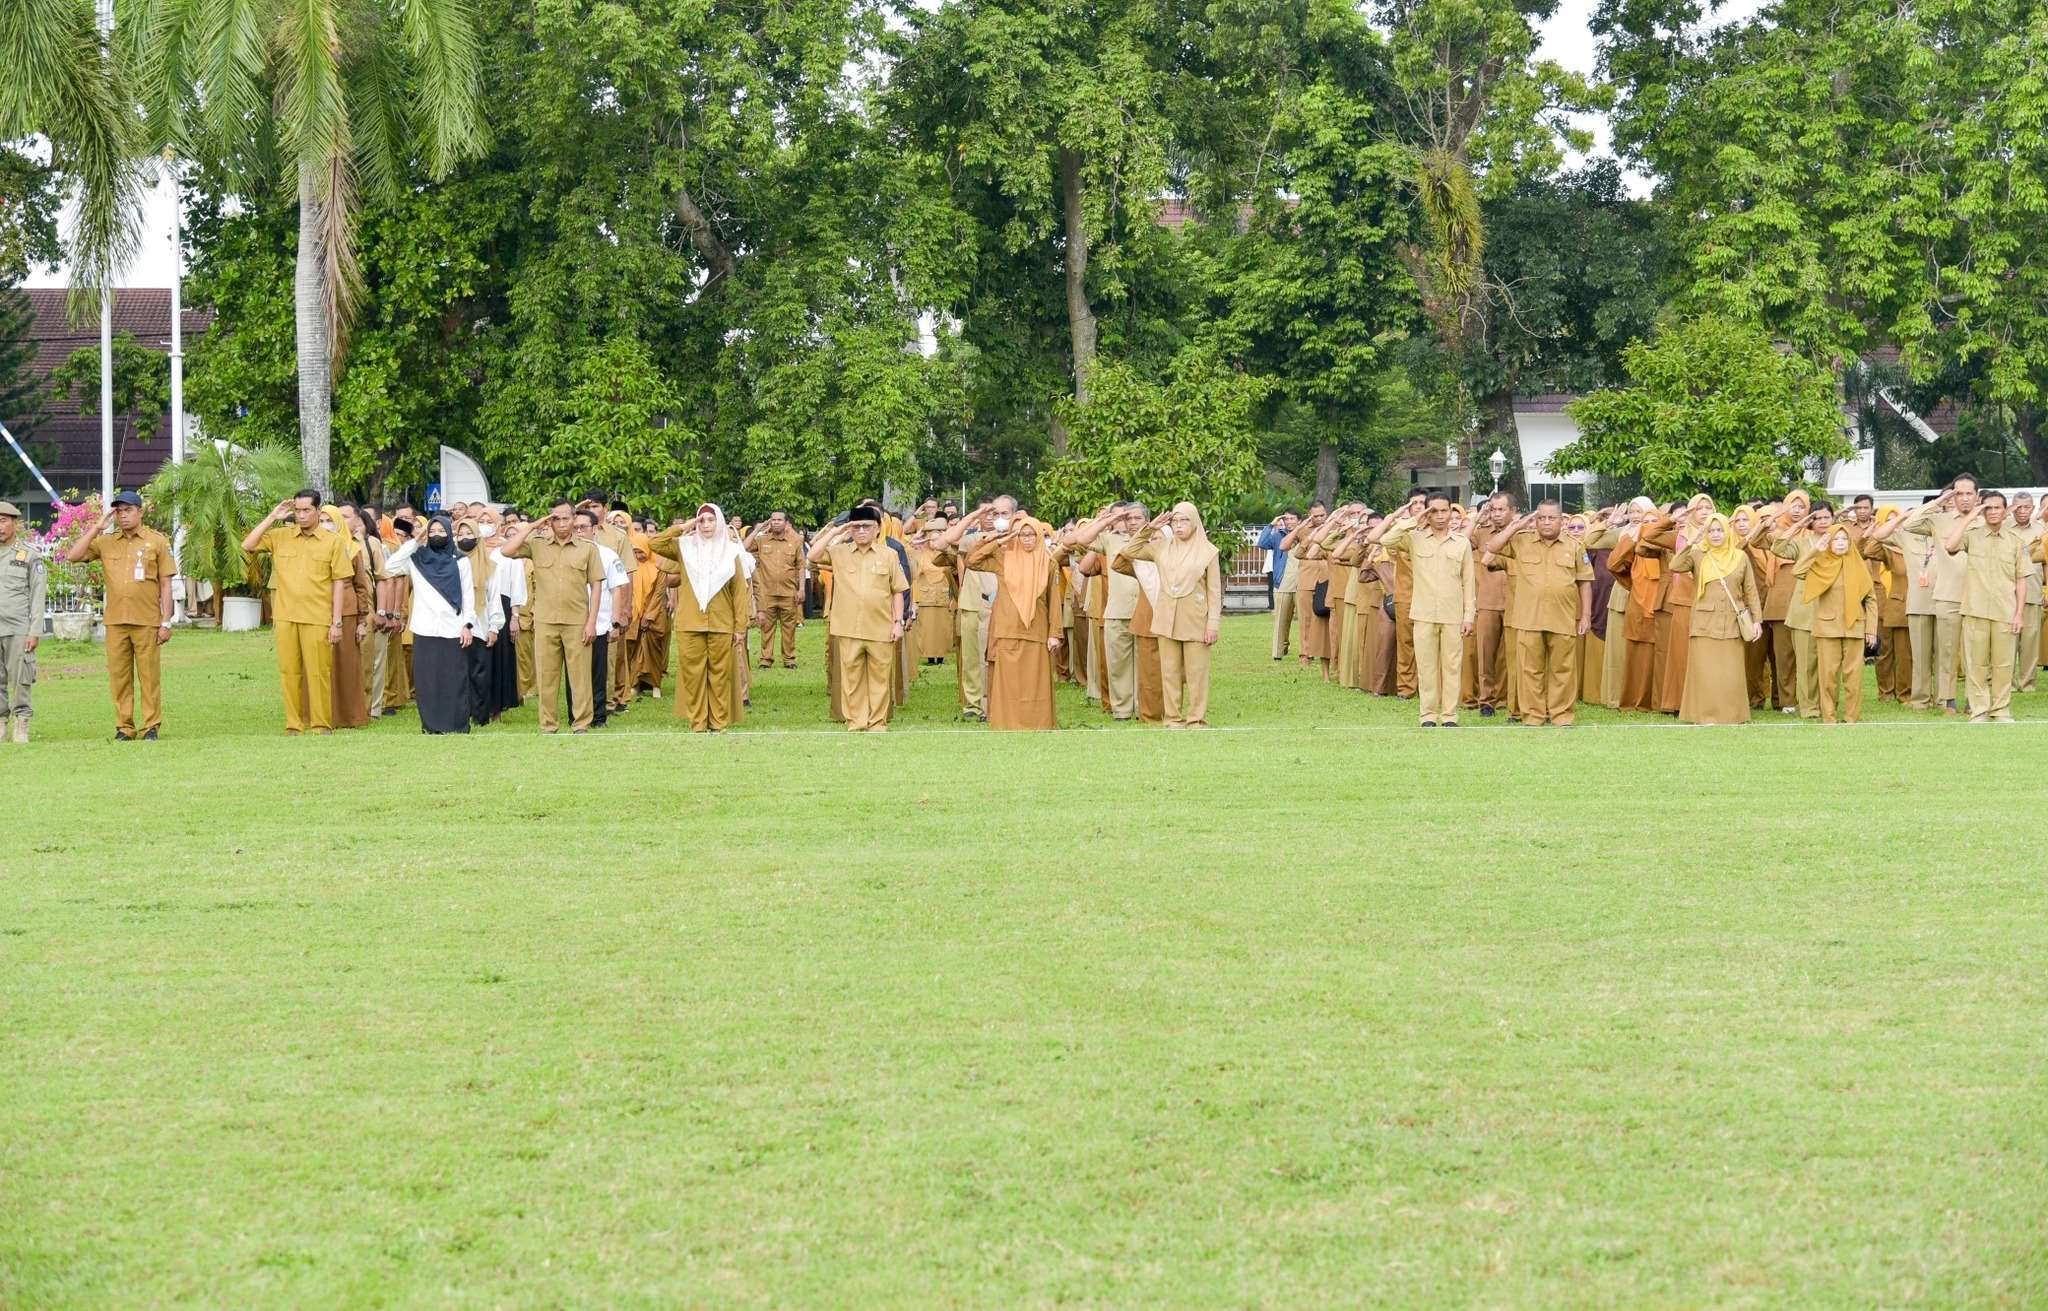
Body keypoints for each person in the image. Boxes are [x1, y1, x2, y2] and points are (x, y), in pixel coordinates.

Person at [242, 490, 354, 736]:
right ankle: (294, 725)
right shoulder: (280, 536)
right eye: (298, 510)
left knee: (319, 673)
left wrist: (336, 622)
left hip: (317, 617)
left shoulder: (333, 541)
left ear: (318, 510)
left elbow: (339, 583)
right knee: (289, 673)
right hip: (285, 616)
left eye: (307, 510)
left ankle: (321, 724)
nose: (301, 516)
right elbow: (248, 544)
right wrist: (273, 516)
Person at [65, 489, 174, 740]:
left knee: (149, 676)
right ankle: (125, 727)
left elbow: (166, 584)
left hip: (147, 620)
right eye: (119, 511)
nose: (123, 515)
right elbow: (73, 556)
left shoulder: (156, 541)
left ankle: (150, 726)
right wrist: (97, 527)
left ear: (140, 512)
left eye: (128, 510)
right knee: (119, 677)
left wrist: (166, 622)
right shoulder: (106, 541)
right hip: (116, 621)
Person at [1481, 502, 1593, 727]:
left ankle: (1561, 716)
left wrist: (1586, 616)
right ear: (1536, 520)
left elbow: (1584, 582)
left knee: (1563, 670)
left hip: (1562, 617)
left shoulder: (1574, 545)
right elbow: (1492, 548)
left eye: (1552, 518)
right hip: (1528, 618)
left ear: (1561, 520)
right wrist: (1515, 526)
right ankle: (1533, 716)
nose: (1547, 522)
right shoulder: (1521, 540)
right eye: (1542, 518)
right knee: (1529, 670)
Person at [495, 503, 604, 732]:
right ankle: (549, 725)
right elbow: (506, 550)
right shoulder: (537, 544)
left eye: (566, 518)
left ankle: (581, 724)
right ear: (549, 521)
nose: (562, 524)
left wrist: (592, 622)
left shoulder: (588, 549)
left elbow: (596, 586)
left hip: (577, 621)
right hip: (545, 621)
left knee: (580, 676)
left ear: (574, 519)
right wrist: (532, 526)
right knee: (547, 676)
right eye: (556, 519)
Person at [650, 504, 758, 731]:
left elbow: (740, 592)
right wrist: (686, 526)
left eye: (711, 520)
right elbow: (655, 543)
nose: (706, 525)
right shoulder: (685, 547)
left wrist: (740, 627)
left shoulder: (732, 552)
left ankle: (718, 721)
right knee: (693, 674)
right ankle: (698, 722)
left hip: (722, 623)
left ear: (719, 522)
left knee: (720, 674)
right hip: (690, 622)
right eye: (702, 520)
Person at [1371, 496, 1475, 727]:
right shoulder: (1415, 539)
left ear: (1450, 512)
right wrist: (1414, 519)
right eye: (1434, 511)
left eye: (1444, 511)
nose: (1440, 516)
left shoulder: (1461, 543)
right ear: (1427, 514)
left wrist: (1469, 616)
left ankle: (1449, 716)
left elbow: (1469, 583)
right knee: (1426, 667)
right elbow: (1384, 539)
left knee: (1451, 667)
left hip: (1452, 614)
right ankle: (1428, 715)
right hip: (1423, 614)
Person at [1118, 502, 1222, 727]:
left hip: (1196, 619)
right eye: (1175, 521)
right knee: (1169, 673)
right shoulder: (1161, 547)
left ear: (1195, 522)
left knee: (1196, 673)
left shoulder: (1208, 552)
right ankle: (1173, 718)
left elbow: (1214, 591)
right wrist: (1149, 528)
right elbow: (1128, 552)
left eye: (1184, 520)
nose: (1179, 525)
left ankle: (1195, 719)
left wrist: (1212, 624)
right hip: (1166, 619)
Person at [808, 505, 908, 732]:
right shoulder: (839, 552)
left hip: (881, 626)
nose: (861, 530)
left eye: (866, 526)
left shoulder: (889, 555)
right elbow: (812, 555)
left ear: (877, 529)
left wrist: (898, 622)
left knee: (880, 678)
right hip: (848, 627)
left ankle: (877, 722)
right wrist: (837, 532)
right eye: (856, 526)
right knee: (851, 678)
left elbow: (897, 591)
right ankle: (856, 721)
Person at [963, 511, 1063, 729]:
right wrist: (999, 541)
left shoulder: (1048, 563)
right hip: (1007, 630)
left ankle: (1038, 722)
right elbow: (972, 561)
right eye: (1022, 535)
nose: (1027, 539)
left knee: (1035, 682)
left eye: (1031, 535)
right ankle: (1007, 722)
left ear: (1039, 536)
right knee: (1009, 683)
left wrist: (1054, 633)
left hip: (1036, 631)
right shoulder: (1004, 558)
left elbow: (1054, 601)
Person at [381, 515, 479, 733]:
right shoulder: (417, 558)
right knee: (428, 681)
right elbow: (390, 566)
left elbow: (467, 596)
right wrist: (415, 542)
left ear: (449, 533)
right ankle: (431, 725)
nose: (436, 535)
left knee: (454, 678)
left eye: (441, 531)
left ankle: (456, 724)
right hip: (424, 628)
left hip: (453, 628)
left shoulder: (460, 561)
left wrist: (468, 625)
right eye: (432, 531)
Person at [1669, 513, 1765, 724]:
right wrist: (1691, 543)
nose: (1715, 535)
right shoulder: (1698, 555)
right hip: (1703, 624)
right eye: (1711, 531)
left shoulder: (1740, 557)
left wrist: (1757, 620)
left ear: (1727, 532)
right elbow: (1675, 565)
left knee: (1730, 673)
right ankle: (1704, 715)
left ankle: (1732, 715)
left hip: (1732, 622)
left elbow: (1750, 591)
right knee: (1705, 673)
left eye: (1720, 530)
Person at [1943, 491, 2028, 723]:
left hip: (2005, 612)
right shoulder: (1972, 536)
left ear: (2005, 510)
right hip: (1975, 610)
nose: (1992, 512)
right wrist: (1970, 517)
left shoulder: (2016, 541)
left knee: (2004, 664)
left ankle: (2000, 710)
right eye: (1987, 508)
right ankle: (1979, 710)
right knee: (1976, 664)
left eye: (1997, 507)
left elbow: (2021, 580)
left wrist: (2019, 614)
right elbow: (1950, 545)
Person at [1898, 477, 1977, 713]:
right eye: (1958, 493)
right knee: (1947, 652)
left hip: (1977, 596)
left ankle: (1974, 701)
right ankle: (1947, 700)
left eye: (1969, 493)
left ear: (1977, 495)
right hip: (1948, 595)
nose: (1964, 498)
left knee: (1976, 654)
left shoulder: (1985, 521)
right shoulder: (1939, 521)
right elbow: (1910, 524)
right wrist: (1940, 500)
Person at [1792, 521, 1877, 723]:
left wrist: (1871, 630)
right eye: (1835, 539)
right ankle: (1829, 717)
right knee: (1828, 676)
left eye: (1844, 539)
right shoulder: (1820, 563)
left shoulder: (1858, 564)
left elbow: (1871, 599)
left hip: (1855, 626)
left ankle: (1851, 717)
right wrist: (1816, 550)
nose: (1840, 542)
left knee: (1853, 676)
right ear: (1828, 542)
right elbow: (1798, 571)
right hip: (1827, 628)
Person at [1065, 503, 1144, 718]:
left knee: (1144, 664)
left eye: (1137, 518)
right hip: (1117, 610)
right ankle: (1122, 709)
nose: (1132, 522)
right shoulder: (1111, 540)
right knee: (1117, 664)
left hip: (1145, 611)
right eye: (1127, 518)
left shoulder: (1153, 538)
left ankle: (1142, 707)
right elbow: (1079, 540)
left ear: (1146, 520)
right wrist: (1107, 520)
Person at [571, 508, 632, 726]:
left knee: (598, 673)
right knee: (575, 674)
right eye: (575, 527)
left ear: (595, 529)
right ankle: (575, 715)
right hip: (571, 624)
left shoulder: (608, 555)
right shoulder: (567, 554)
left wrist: (615, 622)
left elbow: (617, 589)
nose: (579, 532)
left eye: (583, 527)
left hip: (599, 624)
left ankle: (598, 716)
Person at [323, 505, 374, 729]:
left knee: (346, 664)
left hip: (347, 613)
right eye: (321, 520)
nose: (325, 525)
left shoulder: (352, 549)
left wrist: (362, 621)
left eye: (330, 521)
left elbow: (361, 587)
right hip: (318, 610)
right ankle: (321, 714)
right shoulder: (313, 548)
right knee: (320, 664)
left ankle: (349, 716)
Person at [0, 501, 46, 743]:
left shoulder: (29, 555)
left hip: (18, 628)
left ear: (14, 523)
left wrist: (34, 630)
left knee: (21, 679)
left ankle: (21, 724)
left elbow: (38, 595)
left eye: (3, 521)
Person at [744, 511, 805, 669]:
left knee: (789, 628)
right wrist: (757, 529)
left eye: (779, 520)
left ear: (786, 523)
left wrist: (801, 589)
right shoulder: (761, 540)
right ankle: (766, 659)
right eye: (773, 520)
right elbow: (743, 547)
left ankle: (789, 659)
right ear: (769, 522)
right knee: (766, 627)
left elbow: (801, 566)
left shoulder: (796, 541)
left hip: (788, 592)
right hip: (767, 592)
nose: (776, 522)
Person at [1281, 503, 1332, 677]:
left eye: (1322, 515)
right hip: (1306, 578)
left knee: (1328, 618)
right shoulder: (1303, 530)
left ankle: (1329, 653)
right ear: (1309, 515)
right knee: (1305, 619)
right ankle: (1306, 654)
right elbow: (1284, 546)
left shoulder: (1333, 527)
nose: (1320, 518)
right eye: (1315, 516)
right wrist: (1299, 528)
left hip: (1328, 576)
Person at [906, 519, 956, 664]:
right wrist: (914, 541)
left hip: (944, 597)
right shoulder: (920, 554)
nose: (934, 542)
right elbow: (909, 562)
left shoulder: (947, 554)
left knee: (943, 628)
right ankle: (928, 656)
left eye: (937, 538)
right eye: (931, 538)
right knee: (927, 629)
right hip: (926, 599)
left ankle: (941, 657)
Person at [2011, 493, 2045, 691]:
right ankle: (2008, 683)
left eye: (2026, 507)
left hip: (2032, 592)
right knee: (2007, 642)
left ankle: (2028, 683)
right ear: (2012, 507)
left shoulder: (2042, 530)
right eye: (2018, 507)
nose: (2022, 511)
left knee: (2030, 641)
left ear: (2033, 508)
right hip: (2007, 595)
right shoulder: (2003, 527)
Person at [1258, 511, 1300, 659]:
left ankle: (1306, 653)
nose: (1289, 521)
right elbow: (1262, 543)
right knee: (1281, 620)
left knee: (1306, 621)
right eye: (1286, 519)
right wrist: (1271, 524)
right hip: (1282, 583)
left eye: (1292, 518)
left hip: (1303, 584)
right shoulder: (1278, 536)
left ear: (1299, 520)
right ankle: (1278, 651)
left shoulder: (1306, 535)